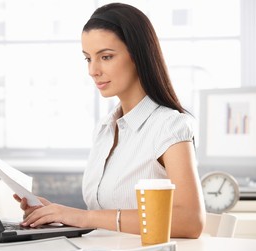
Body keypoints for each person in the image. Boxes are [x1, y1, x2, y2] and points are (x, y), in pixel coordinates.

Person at [14, 2, 205, 238]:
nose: (93, 70)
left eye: (105, 56)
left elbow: (190, 221)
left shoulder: (170, 126)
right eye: (87, 59)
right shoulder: (105, 128)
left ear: (138, 55)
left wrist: (81, 216)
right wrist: (54, 215)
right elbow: (102, 219)